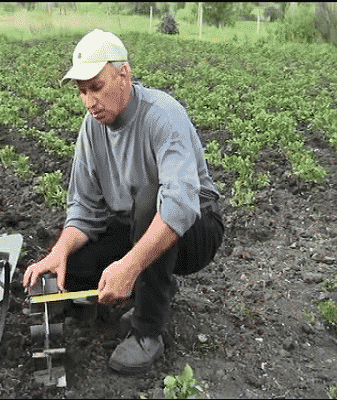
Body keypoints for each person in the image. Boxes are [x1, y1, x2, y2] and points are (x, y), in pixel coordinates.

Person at [23, 28, 224, 375]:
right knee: (71, 269)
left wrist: (130, 266)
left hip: (196, 230)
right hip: (135, 223)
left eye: (96, 87)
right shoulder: (91, 127)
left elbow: (180, 204)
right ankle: (155, 284)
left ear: (123, 75)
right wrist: (59, 253)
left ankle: (148, 331)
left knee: (151, 199)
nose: (89, 101)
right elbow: (84, 209)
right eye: (82, 91)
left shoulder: (163, 115)